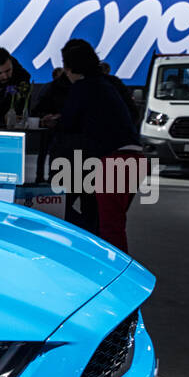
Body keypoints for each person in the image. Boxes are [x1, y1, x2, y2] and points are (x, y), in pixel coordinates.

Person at [40, 38, 143, 253]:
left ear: (68, 67)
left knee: (109, 228)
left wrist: (54, 121)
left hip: (114, 160)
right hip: (134, 158)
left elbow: (68, 123)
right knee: (112, 224)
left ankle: (117, 277)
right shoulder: (107, 84)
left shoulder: (83, 87)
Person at [32, 67, 72, 184]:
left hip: (54, 126)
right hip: (50, 127)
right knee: (48, 152)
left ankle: (47, 177)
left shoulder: (49, 87)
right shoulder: (51, 88)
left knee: (48, 152)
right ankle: (45, 177)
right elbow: (38, 107)